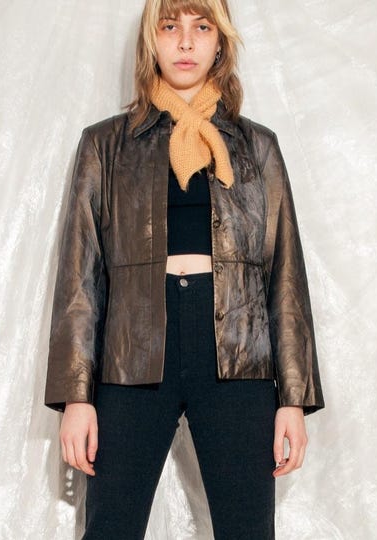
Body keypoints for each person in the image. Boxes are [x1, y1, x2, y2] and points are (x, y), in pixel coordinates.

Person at [44, 0, 325, 538]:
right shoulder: (105, 145)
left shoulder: (258, 147)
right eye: (170, 26)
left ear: (221, 41)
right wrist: (76, 396)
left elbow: (286, 275)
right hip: (132, 355)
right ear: (152, 40)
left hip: (238, 353)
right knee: (110, 527)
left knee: (248, 531)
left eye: (202, 27)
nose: (186, 41)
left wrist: (293, 398)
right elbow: (79, 277)